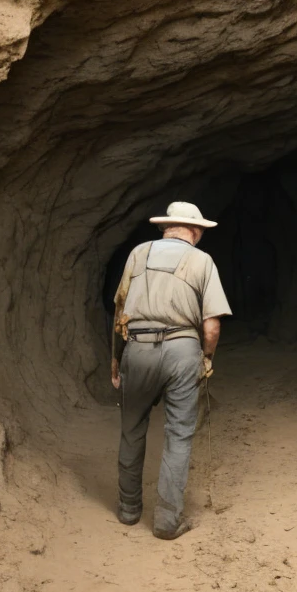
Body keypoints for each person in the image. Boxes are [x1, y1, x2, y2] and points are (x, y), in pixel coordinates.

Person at [110, 201, 232, 540]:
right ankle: (166, 522)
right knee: (178, 435)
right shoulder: (201, 261)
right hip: (181, 350)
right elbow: (211, 327)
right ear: (193, 230)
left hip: (136, 347)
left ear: (167, 227)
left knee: (132, 429)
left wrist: (117, 358)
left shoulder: (138, 253)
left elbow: (119, 310)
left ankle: (129, 510)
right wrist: (205, 358)